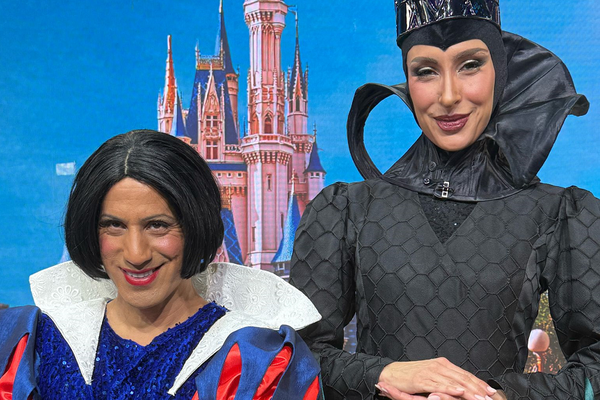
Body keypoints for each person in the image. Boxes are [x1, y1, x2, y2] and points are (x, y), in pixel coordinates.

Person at [289, 1, 598, 399]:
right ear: (407, 79)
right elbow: (297, 360)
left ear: (500, 71)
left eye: (470, 65)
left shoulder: (559, 214)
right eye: (426, 71)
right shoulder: (346, 211)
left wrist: (499, 395)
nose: (449, 96)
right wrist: (384, 374)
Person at [0, 129, 322, 400]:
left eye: (157, 226)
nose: (136, 254)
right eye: (114, 225)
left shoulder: (256, 364)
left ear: (194, 227)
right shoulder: (32, 348)